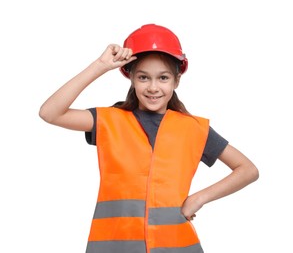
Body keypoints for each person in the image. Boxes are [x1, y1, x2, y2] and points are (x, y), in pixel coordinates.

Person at [39, 24, 259, 253]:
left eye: (163, 78)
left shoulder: (194, 128)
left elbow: (247, 169)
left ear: (176, 81)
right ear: (131, 78)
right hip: (115, 247)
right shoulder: (108, 120)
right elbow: (50, 113)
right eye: (143, 77)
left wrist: (199, 198)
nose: (153, 87)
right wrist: (100, 66)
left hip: (177, 247)